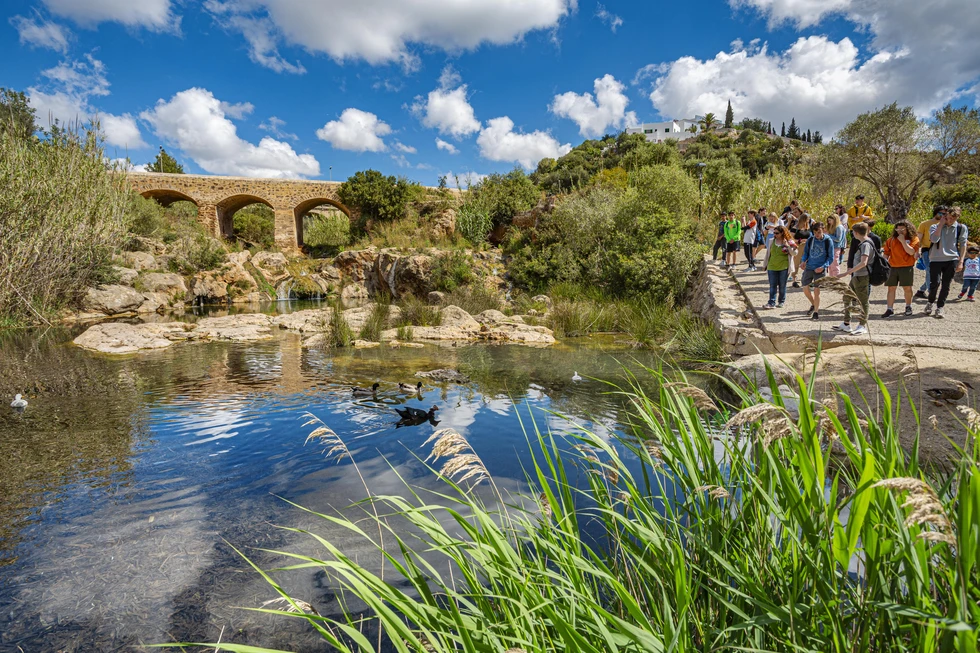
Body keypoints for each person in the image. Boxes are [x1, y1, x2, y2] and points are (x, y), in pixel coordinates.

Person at [926, 206, 970, 318]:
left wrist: (961, 261)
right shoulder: (934, 226)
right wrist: (941, 225)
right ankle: (930, 302)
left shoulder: (961, 228)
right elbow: (934, 240)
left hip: (952, 259)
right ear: (945, 216)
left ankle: (940, 307)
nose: (950, 220)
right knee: (934, 283)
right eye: (949, 217)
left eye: (953, 219)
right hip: (936, 258)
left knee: (946, 285)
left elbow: (963, 245)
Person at [833, 221, 874, 336]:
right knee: (847, 297)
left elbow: (864, 262)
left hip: (862, 276)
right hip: (857, 276)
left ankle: (862, 325)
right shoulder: (863, 243)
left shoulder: (866, 244)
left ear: (856, 233)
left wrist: (847, 273)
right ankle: (846, 323)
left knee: (863, 301)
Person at [881, 220, 920, 318]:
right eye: (898, 229)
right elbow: (886, 254)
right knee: (891, 288)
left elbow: (911, 252)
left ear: (908, 229)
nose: (900, 231)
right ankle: (890, 309)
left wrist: (903, 241)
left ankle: (908, 306)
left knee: (907, 288)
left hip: (906, 267)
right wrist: (883, 265)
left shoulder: (914, 239)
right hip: (892, 267)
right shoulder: (891, 240)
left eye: (902, 229)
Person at [800, 221, 835, 321]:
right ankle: (813, 304)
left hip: (820, 269)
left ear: (823, 230)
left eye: (819, 232)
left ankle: (816, 312)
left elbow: (830, 257)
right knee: (805, 288)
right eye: (815, 233)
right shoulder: (811, 239)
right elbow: (806, 253)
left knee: (816, 291)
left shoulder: (828, 241)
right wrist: (803, 261)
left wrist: (823, 267)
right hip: (809, 267)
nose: (817, 235)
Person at [915, 206, 946, 300]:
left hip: (940, 251)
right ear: (936, 212)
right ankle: (931, 293)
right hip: (927, 250)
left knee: (935, 273)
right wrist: (916, 251)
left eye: (944, 214)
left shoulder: (946, 224)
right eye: (941, 213)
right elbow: (918, 239)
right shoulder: (925, 224)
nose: (942, 215)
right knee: (930, 271)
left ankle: (921, 290)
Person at [762, 226, 796, 309]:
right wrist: (765, 265)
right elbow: (768, 254)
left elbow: (794, 253)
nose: (775, 234)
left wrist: (787, 246)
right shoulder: (771, 241)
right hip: (772, 266)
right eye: (774, 233)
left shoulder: (789, 242)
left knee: (782, 285)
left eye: (777, 233)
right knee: (772, 285)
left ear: (782, 233)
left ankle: (781, 301)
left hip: (784, 267)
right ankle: (771, 302)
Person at [790, 213, 811, 287]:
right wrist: (799, 241)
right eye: (807, 219)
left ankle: (806, 279)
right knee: (796, 263)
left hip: (807, 247)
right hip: (798, 246)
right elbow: (790, 239)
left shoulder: (808, 227)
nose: (808, 221)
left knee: (807, 263)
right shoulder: (795, 228)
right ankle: (794, 280)